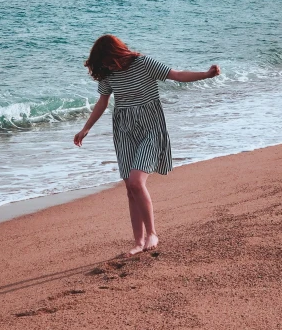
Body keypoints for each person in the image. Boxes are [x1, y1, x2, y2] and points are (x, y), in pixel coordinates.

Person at [74, 34, 220, 256]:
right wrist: (86, 128)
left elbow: (177, 75)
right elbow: (103, 102)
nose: (103, 65)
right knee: (130, 189)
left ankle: (152, 233)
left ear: (114, 53)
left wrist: (207, 75)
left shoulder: (144, 63)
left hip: (151, 127)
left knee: (136, 181)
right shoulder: (107, 73)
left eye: (104, 59)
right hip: (124, 130)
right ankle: (138, 242)